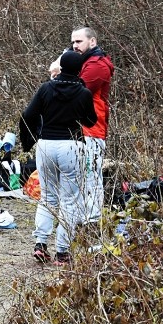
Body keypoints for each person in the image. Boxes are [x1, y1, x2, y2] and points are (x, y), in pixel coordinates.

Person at [19, 51, 97, 265]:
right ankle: (62, 252)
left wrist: (28, 141)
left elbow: (28, 115)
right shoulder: (83, 93)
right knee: (70, 201)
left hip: (45, 145)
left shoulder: (46, 88)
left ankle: (40, 244)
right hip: (71, 146)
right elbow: (90, 121)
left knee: (48, 197)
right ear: (80, 69)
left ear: (60, 67)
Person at [71, 26, 114, 224]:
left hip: (92, 129)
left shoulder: (97, 65)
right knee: (82, 175)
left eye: (79, 41)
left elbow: (75, 91)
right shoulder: (86, 62)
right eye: (73, 42)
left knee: (91, 175)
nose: (74, 46)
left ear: (93, 42)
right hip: (83, 129)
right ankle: (82, 218)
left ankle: (92, 220)